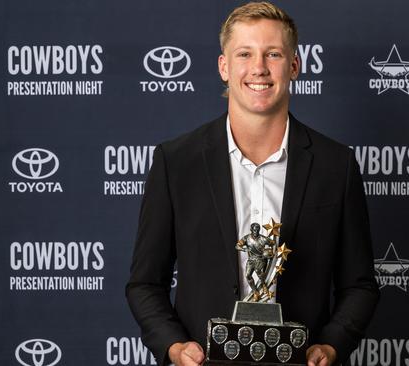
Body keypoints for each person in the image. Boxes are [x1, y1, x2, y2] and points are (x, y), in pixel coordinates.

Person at [126, 2, 379, 366]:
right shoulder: (175, 162)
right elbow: (145, 283)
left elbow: (360, 285)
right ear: (224, 67)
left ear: (294, 65)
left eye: (273, 54)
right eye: (245, 53)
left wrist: (331, 345)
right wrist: (175, 347)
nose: (259, 68)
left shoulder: (335, 165)